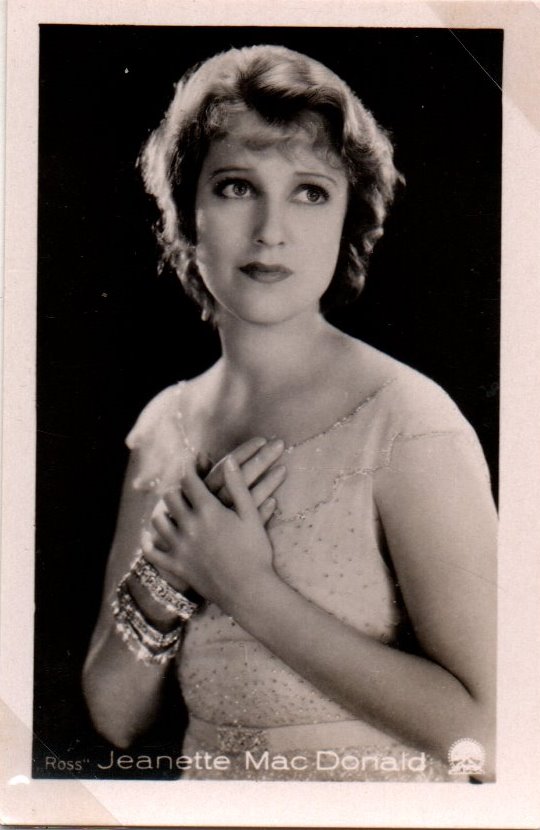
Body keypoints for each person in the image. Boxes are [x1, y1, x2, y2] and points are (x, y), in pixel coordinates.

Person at [82, 44, 497, 782]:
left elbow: (490, 740)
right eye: (236, 187)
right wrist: (168, 577)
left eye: (310, 192)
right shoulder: (163, 427)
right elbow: (115, 718)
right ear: (187, 211)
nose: (271, 230)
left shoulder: (408, 421)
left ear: (348, 216)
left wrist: (245, 587)